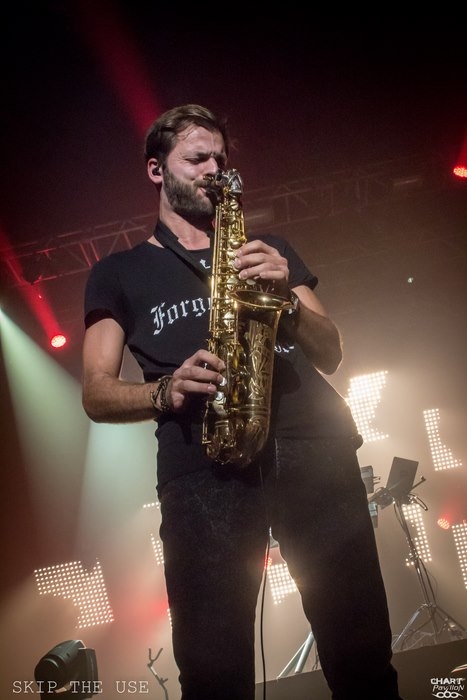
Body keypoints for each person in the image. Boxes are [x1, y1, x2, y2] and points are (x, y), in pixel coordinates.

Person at [81, 104, 403, 700]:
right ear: (156, 169)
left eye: (220, 159)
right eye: (197, 158)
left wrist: (288, 298)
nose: (213, 169)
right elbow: (96, 392)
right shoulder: (119, 272)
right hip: (204, 465)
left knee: (360, 646)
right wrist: (165, 389)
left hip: (315, 447)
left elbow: (331, 352)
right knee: (213, 669)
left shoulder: (269, 246)